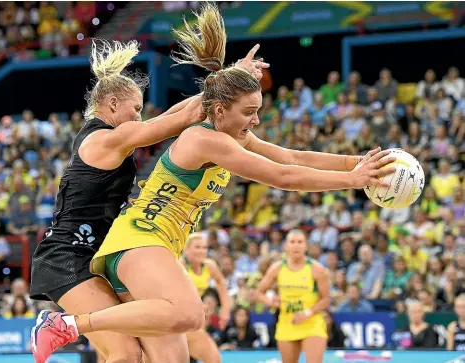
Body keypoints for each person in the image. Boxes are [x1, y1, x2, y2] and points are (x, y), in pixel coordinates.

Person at [31, 4, 395, 363]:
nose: (254, 121)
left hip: (133, 244)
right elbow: (281, 176)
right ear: (220, 110)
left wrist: (357, 163)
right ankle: (69, 324)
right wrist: (350, 180)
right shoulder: (199, 139)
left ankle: (69, 324)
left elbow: (292, 157)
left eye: (257, 112)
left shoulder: (228, 134)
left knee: (156, 357)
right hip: (136, 240)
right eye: (249, 112)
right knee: (190, 316)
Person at [29, 37, 207, 363]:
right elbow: (175, 122)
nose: (140, 117)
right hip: (68, 260)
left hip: (99, 255)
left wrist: (222, 87)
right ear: (112, 104)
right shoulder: (106, 138)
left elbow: (165, 117)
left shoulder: (111, 138)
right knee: (125, 353)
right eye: (136, 109)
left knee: (160, 352)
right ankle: (52, 324)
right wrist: (227, 86)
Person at [257, 230, 330, 363]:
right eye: (292, 242)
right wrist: (270, 300)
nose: (296, 246)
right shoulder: (277, 268)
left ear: (306, 246)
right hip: (287, 323)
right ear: (286, 246)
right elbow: (259, 292)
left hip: (312, 322)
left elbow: (326, 300)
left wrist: (307, 313)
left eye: (300, 242)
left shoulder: (317, 269)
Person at [182, 233, 230, 363]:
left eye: (204, 247)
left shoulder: (209, 265)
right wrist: (196, 305)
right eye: (197, 247)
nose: (202, 251)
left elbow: (221, 283)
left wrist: (225, 310)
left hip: (193, 319)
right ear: (186, 249)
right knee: (213, 358)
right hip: (177, 319)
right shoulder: (179, 265)